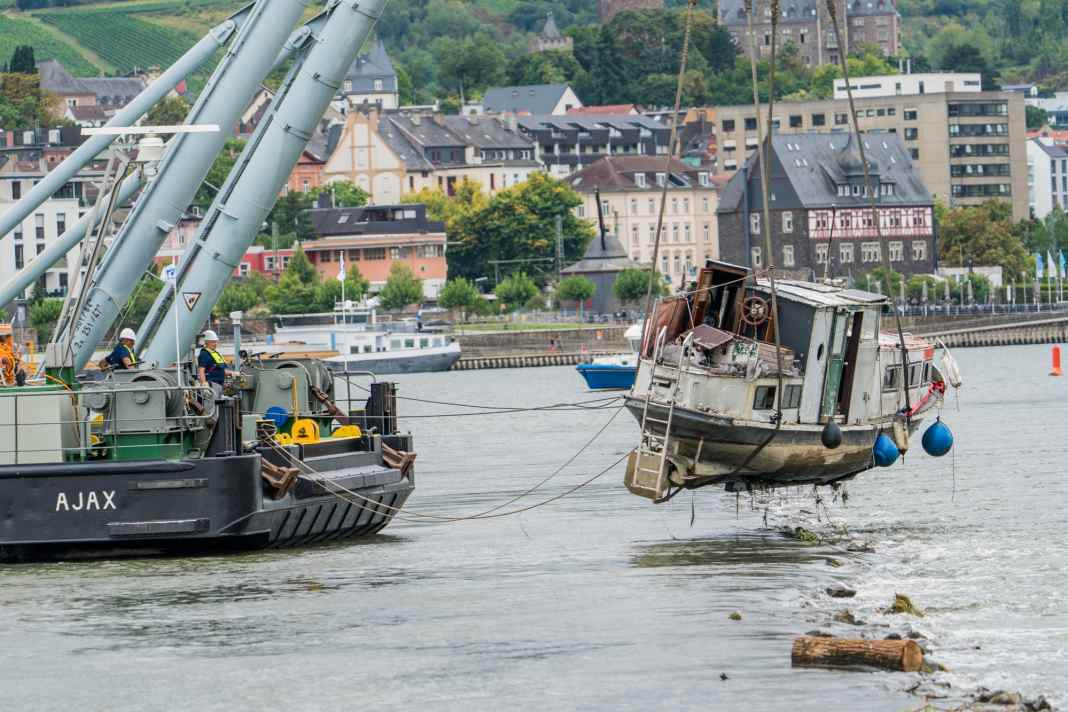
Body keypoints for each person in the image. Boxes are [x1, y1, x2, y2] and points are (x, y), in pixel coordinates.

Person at [197, 330, 234, 397]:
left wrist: (234, 373)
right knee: (212, 404)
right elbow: (201, 370)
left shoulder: (215, 354)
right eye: (213, 342)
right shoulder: (204, 354)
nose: (215, 344)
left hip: (219, 385)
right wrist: (204, 385)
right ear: (206, 342)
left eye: (216, 342)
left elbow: (221, 370)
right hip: (212, 385)